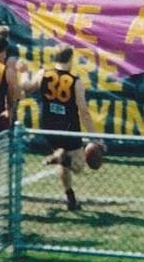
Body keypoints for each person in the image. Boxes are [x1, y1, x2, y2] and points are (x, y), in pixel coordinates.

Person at [28, 45, 98, 211]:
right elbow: (84, 111)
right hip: (68, 127)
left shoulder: (43, 74)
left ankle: (70, 198)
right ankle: (62, 158)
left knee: (62, 160)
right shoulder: (75, 81)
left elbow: (28, 88)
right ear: (70, 60)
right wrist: (94, 137)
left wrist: (23, 73)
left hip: (49, 126)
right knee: (78, 166)